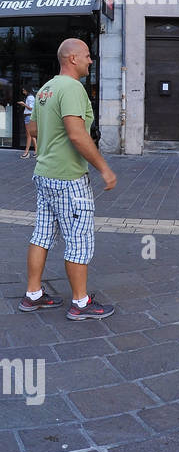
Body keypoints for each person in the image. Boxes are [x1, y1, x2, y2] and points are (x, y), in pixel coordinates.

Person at [21, 38, 118, 320]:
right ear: (72, 59)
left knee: (42, 234)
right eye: (87, 56)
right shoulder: (73, 88)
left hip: (44, 174)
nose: (91, 61)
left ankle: (33, 295)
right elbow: (77, 134)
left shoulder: (45, 89)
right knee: (78, 239)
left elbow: (35, 130)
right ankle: (80, 303)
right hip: (69, 178)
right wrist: (104, 168)